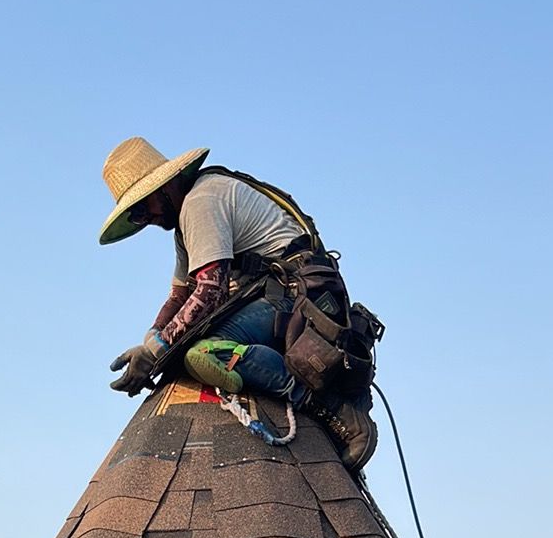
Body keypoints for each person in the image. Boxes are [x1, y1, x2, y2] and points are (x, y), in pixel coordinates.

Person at [99, 136, 376, 468]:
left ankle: (330, 405)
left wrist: (155, 352)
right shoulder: (186, 225)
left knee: (204, 353)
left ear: (166, 186)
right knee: (177, 352)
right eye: (136, 216)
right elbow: (179, 295)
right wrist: (152, 339)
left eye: (144, 209)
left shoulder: (201, 202)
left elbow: (209, 290)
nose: (147, 220)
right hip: (281, 298)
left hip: (295, 301)